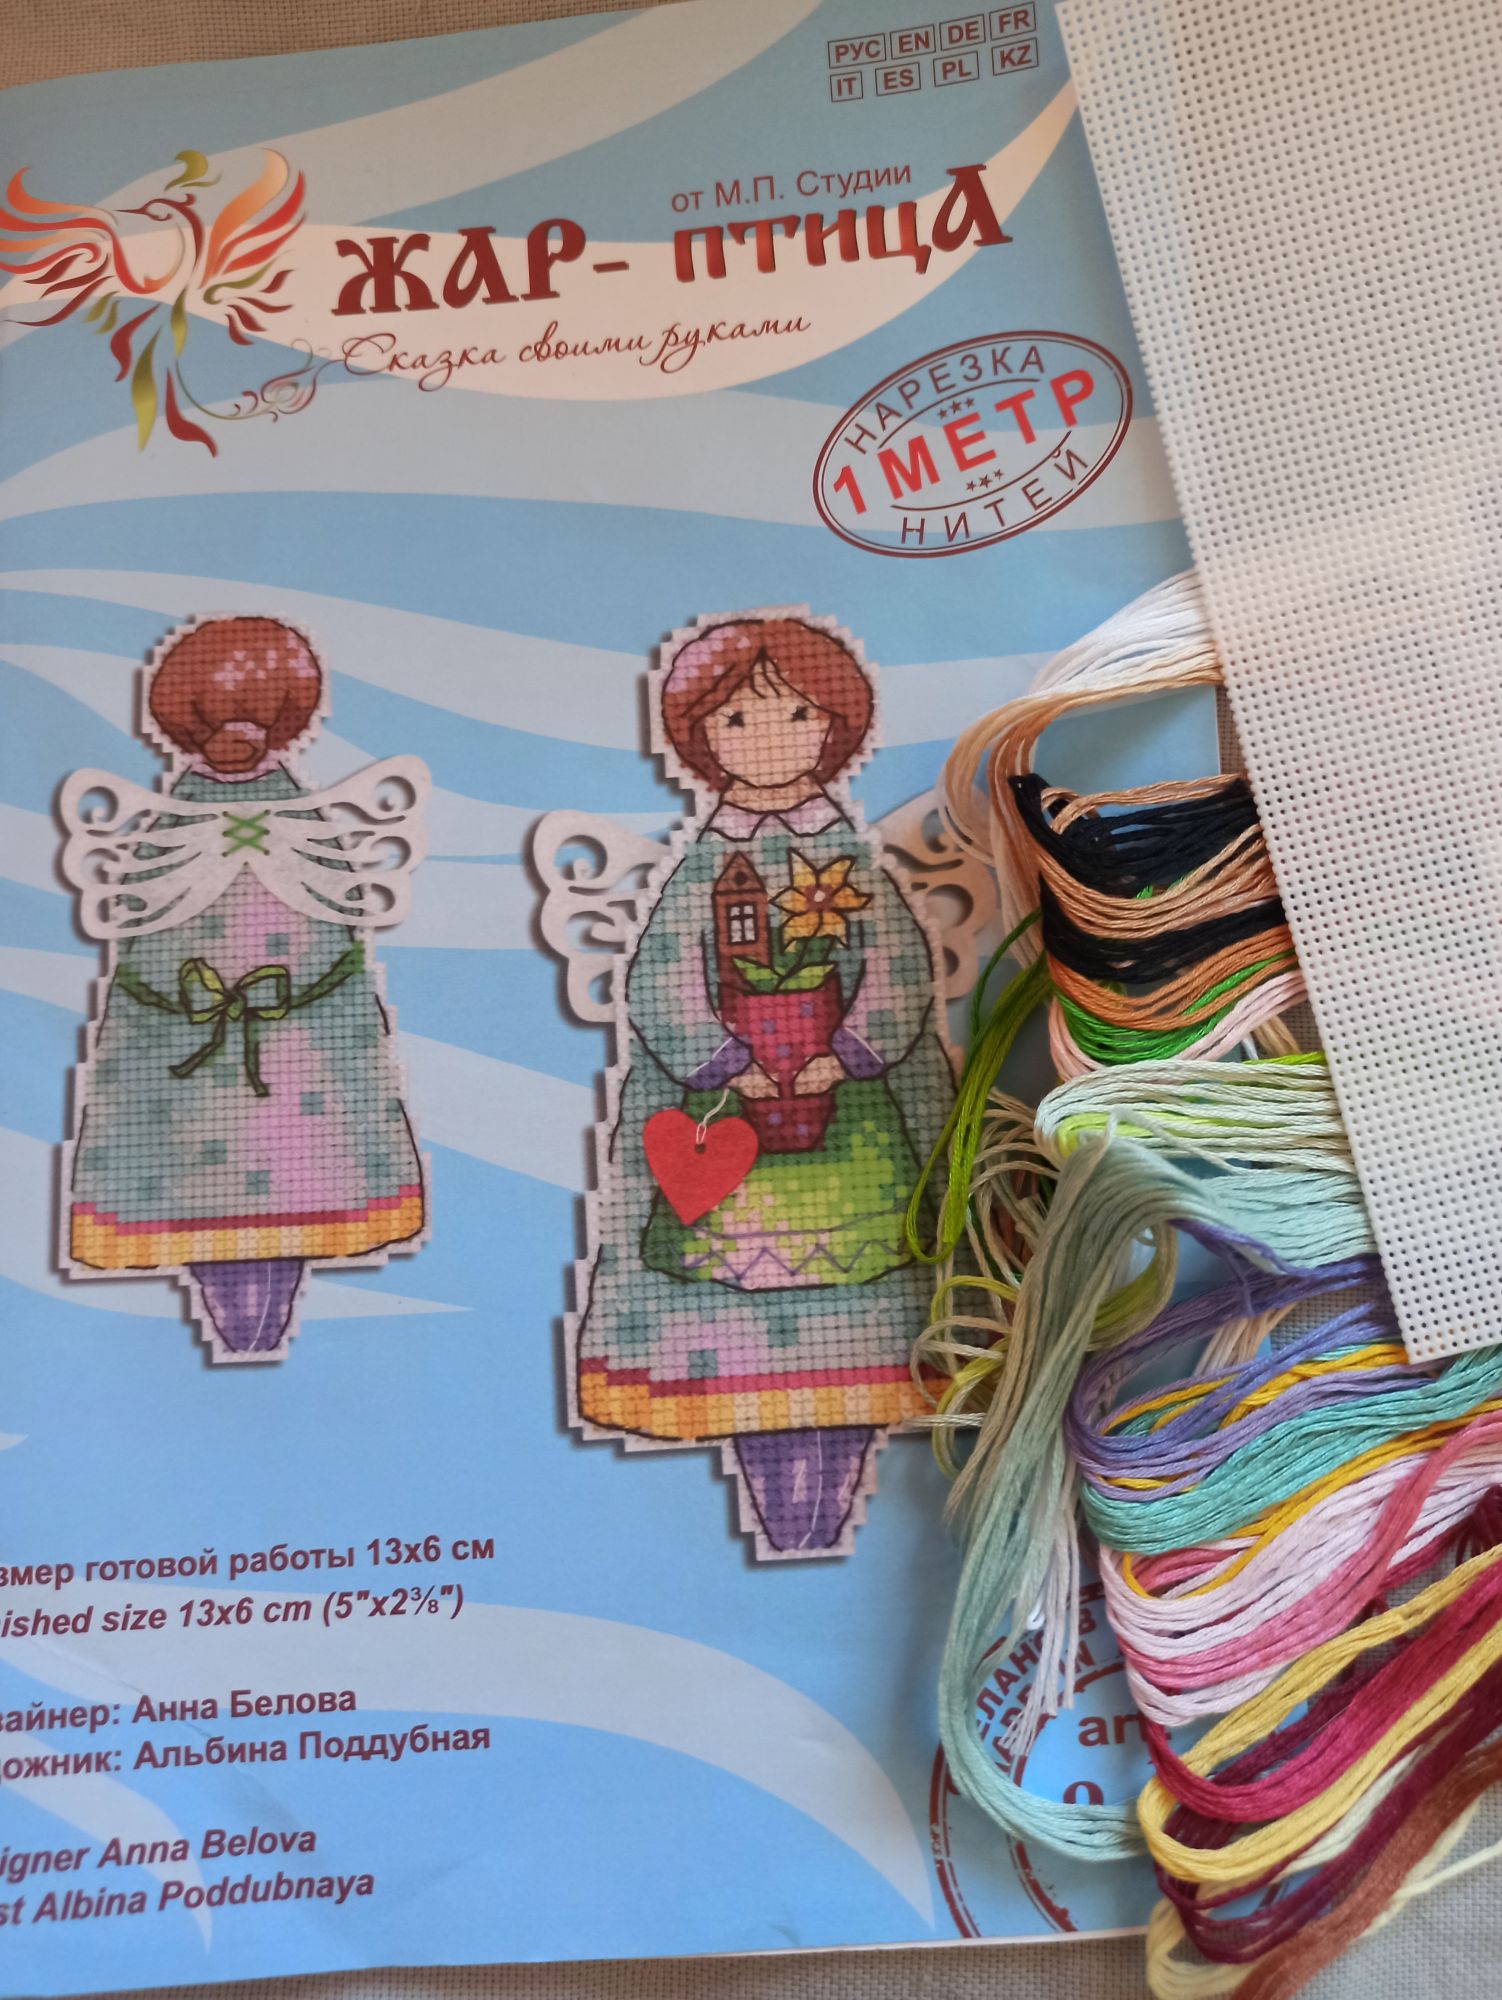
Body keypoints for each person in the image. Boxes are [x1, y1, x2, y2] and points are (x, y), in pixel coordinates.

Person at [573, 612, 953, 1555]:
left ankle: (826, 1507)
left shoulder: (848, 857)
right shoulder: (703, 865)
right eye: (738, 720)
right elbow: (662, 977)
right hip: (727, 1120)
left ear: (836, 726)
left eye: (797, 714)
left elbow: (898, 966)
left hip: (852, 1117)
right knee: (733, 1319)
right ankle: (786, 1515)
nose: (770, 738)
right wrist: (724, 1061)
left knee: (873, 1309)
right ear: (701, 740)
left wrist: (849, 1050)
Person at [63, 616, 425, 1359]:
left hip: (300, 1077)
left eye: (257, 715)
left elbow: (333, 927)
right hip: (188, 1083)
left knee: (295, 1199)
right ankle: (241, 1336)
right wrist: (187, 1003)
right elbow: (147, 935)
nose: (236, 737)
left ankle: (259, 1336)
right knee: (204, 1206)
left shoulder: (302, 819)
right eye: (214, 716)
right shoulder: (173, 825)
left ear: (286, 720)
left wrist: (299, 1003)